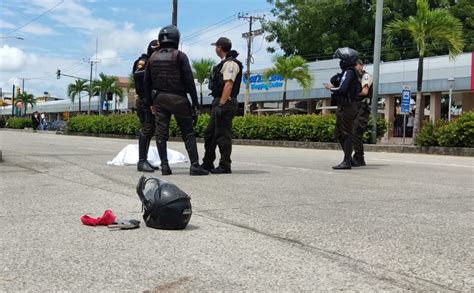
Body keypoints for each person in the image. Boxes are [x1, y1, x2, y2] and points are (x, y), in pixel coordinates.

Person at [143, 25, 208, 176]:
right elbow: (189, 80)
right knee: (187, 132)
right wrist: (195, 101)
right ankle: (194, 165)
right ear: (176, 39)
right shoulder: (180, 55)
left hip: (160, 99)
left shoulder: (152, 58)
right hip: (179, 98)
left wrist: (150, 103)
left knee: (161, 134)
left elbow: (147, 82)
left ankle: (165, 166)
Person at [201, 37, 242, 174]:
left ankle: (225, 165)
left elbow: (228, 85)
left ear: (219, 47)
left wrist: (221, 104)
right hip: (220, 101)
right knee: (210, 134)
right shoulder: (223, 63)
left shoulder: (231, 64)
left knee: (222, 134)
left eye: (216, 47)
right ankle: (208, 163)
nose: (215, 49)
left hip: (226, 101)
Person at [324, 47, 360, 170]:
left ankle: (347, 161)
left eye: (341, 59)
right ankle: (349, 158)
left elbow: (343, 89)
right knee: (339, 134)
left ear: (346, 60)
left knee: (346, 133)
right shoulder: (351, 72)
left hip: (348, 105)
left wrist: (331, 88)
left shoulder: (349, 72)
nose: (340, 62)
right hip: (346, 105)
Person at [134, 40, 160, 172]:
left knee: (150, 130)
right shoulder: (144, 61)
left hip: (151, 101)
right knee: (147, 128)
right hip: (144, 101)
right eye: (156, 50)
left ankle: (145, 159)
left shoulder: (153, 62)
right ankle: (141, 161)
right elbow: (137, 74)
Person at [352, 59, 373, 167]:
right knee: (350, 132)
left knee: (356, 131)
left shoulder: (365, 76)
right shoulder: (354, 77)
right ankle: (355, 156)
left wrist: (352, 94)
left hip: (362, 107)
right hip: (355, 107)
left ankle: (359, 157)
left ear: (361, 66)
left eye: (356, 65)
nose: (355, 67)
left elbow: (365, 92)